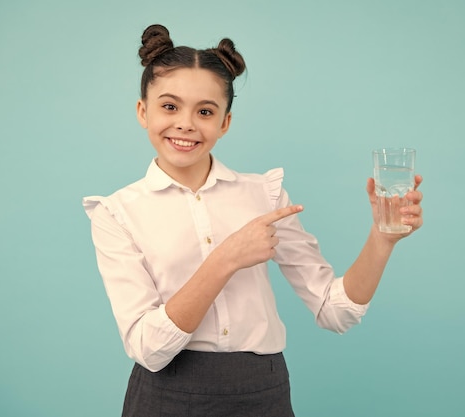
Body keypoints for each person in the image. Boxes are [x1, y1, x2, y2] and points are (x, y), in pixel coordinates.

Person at [83, 24, 423, 417]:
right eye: (170, 106)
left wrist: (382, 239)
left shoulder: (265, 195)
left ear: (225, 122)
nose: (186, 124)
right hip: (165, 397)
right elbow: (148, 349)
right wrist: (226, 259)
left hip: (262, 394)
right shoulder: (117, 213)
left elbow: (335, 310)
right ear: (144, 111)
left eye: (205, 111)